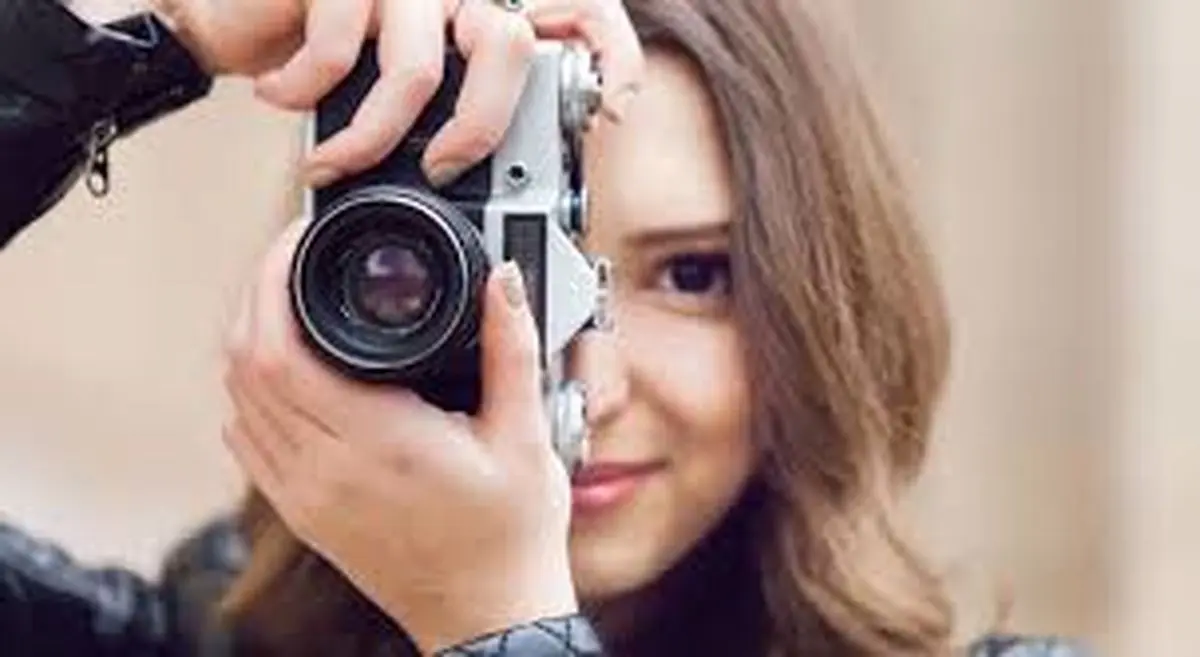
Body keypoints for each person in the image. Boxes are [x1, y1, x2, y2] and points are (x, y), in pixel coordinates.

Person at [0, 0, 1090, 656]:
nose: (589, 382)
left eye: (694, 276)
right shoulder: (205, 636)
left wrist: (494, 621)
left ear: (826, 306)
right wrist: (157, 35)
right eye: (500, 265)